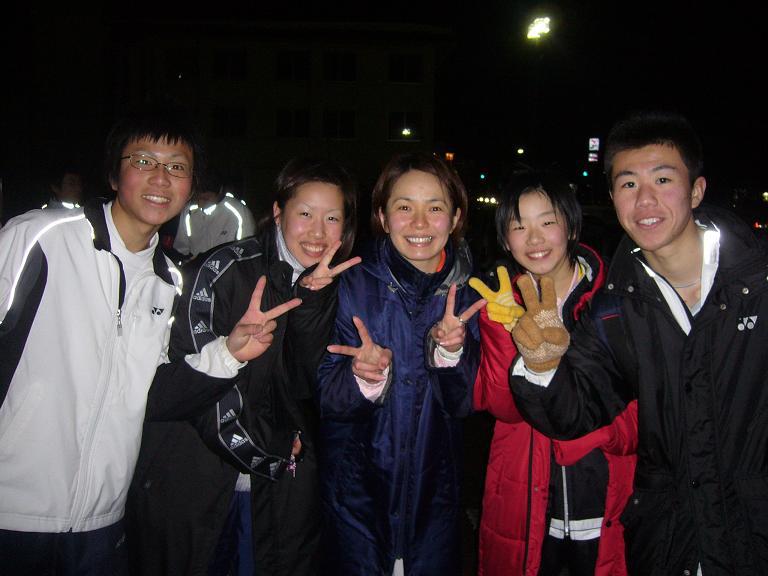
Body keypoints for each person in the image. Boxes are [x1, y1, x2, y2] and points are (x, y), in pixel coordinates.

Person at [0, 104, 301, 575]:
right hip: (12, 513)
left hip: (104, 523)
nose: (161, 178)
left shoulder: (170, 284)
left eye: (177, 167)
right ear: (114, 173)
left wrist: (228, 353)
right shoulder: (41, 239)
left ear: (190, 185)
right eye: (143, 161)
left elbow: (154, 395)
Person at [508, 110, 768, 575]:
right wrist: (542, 365)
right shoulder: (616, 308)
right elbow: (577, 409)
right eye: (628, 184)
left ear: (696, 190)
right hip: (669, 545)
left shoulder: (759, 283)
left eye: (663, 179)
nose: (645, 199)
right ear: (612, 197)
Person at [127, 157, 360, 576]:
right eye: (305, 214)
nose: (318, 232)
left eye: (332, 218)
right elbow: (186, 390)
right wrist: (270, 449)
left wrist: (313, 302)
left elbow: (307, 389)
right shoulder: (222, 271)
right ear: (278, 212)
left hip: (281, 495)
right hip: (198, 481)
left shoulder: (340, 289)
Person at [316, 152, 486, 576]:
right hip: (357, 498)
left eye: (435, 208)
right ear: (382, 216)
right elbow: (323, 398)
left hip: (436, 498)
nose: (420, 223)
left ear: (456, 217)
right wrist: (362, 379)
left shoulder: (471, 294)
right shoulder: (349, 282)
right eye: (404, 207)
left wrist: (450, 354)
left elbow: (465, 403)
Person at [469, 171, 636, 576]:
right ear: (505, 239)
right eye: (519, 227)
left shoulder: (615, 299)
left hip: (606, 500)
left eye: (547, 222)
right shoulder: (502, 302)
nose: (534, 239)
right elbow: (501, 407)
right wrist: (505, 330)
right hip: (524, 501)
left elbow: (646, 417)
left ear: (571, 226)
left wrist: (586, 434)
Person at [173, 172, 255, 259]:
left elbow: (248, 249)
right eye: (199, 198)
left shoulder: (239, 212)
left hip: (227, 264)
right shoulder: (189, 210)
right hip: (196, 264)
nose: (201, 203)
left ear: (220, 192)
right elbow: (181, 248)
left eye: (206, 199)